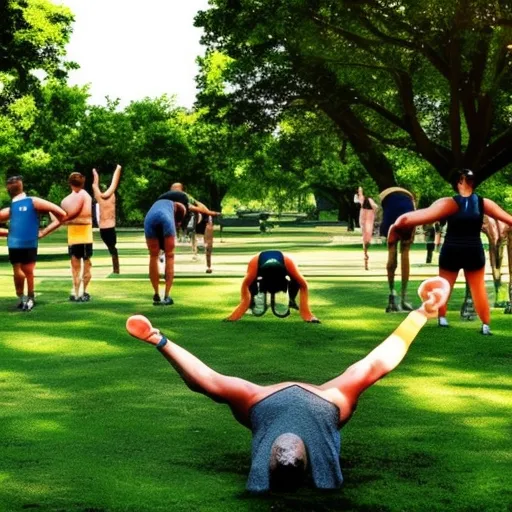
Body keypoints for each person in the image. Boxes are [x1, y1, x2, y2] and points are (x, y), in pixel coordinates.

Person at [126, 276, 450, 493]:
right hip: (317, 405)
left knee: (216, 386)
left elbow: (207, 381)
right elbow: (377, 363)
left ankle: (158, 338)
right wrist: (422, 312)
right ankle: (423, 311)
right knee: (367, 370)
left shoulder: (259, 406)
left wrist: (160, 340)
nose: (290, 446)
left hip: (273, 404)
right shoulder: (328, 415)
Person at [389, 168, 512, 335]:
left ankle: (472, 323)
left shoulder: (467, 203)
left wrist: (398, 224)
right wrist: (400, 223)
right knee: (453, 286)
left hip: (462, 251)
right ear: (459, 181)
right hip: (464, 251)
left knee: (462, 287)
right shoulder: (463, 203)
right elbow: (421, 216)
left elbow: (508, 219)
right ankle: (453, 320)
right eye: (467, 177)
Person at [0, 175, 66, 310]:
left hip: (17, 243)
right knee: (26, 270)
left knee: (19, 270)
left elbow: (61, 215)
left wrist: (9, 233)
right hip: (25, 242)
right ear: (22, 186)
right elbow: (62, 215)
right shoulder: (29, 202)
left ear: (8, 189)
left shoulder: (18, 206)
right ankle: (27, 297)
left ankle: (24, 297)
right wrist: (43, 232)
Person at [41, 172, 94, 302]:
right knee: (86, 265)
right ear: (83, 182)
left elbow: (61, 221)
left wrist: (62, 221)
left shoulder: (65, 201)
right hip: (85, 237)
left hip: (74, 238)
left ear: (69, 183)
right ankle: (83, 292)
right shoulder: (86, 197)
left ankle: (77, 293)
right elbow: (86, 219)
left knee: (76, 267)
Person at [225, 250, 319, 322]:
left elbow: (304, 286)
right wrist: (235, 315)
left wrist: (308, 315)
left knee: (297, 282)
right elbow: (245, 285)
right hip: (258, 265)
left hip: (284, 264)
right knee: (251, 283)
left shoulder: (289, 263)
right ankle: (251, 303)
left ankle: (292, 300)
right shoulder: (254, 265)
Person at [144, 192, 188, 306]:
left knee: (153, 256)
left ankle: (156, 294)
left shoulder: (158, 203)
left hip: (149, 218)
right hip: (166, 218)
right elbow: (180, 215)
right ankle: (167, 295)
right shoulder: (180, 205)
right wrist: (178, 224)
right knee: (170, 255)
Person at [379, 187, 416, 312]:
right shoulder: (409, 196)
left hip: (390, 210)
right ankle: (404, 297)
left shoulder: (383, 192)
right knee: (405, 251)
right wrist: (413, 233)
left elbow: (379, 211)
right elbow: (414, 211)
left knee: (391, 251)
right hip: (407, 213)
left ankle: (392, 294)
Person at [169, 182, 219, 273]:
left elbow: (199, 207)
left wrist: (209, 213)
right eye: (172, 190)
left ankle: (208, 265)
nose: (174, 192)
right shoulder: (168, 199)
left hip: (202, 218)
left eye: (177, 190)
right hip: (188, 219)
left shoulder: (186, 197)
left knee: (206, 242)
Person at [92, 165, 122, 274]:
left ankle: (116, 269)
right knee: (112, 248)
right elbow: (115, 181)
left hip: (104, 227)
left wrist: (95, 173)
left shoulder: (99, 197)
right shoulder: (112, 194)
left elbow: (94, 184)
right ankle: (116, 268)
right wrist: (118, 168)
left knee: (112, 248)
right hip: (110, 226)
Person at [356, 187, 378, 270]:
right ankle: (365, 255)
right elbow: (375, 207)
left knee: (366, 237)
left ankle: (365, 255)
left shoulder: (365, 200)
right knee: (366, 237)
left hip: (366, 218)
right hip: (366, 218)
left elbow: (374, 206)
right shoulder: (365, 200)